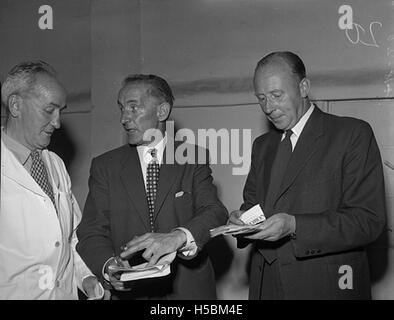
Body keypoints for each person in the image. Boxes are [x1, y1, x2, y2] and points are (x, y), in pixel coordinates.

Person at [229, 51, 386, 299]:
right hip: (265, 286)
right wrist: (241, 220)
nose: (268, 107)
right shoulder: (262, 145)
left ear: (303, 87)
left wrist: (294, 225)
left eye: (276, 95)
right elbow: (253, 205)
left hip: (323, 287)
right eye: (261, 98)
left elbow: (367, 221)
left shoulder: (352, 134)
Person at [76, 74, 228, 299]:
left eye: (133, 107)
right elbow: (91, 230)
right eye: (122, 108)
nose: (124, 118)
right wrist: (109, 266)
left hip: (188, 290)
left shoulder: (194, 157)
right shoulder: (105, 166)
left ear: (162, 112)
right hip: (131, 293)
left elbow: (215, 211)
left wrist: (178, 237)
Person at [0, 61, 104, 300]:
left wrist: (86, 276)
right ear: (16, 105)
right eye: (49, 110)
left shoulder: (55, 163)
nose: (57, 123)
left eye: (61, 111)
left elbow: (71, 236)